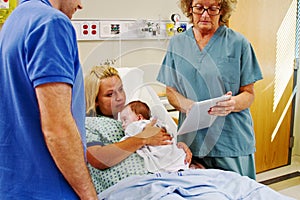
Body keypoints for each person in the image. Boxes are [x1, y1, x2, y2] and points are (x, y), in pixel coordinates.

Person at [0, 0, 97, 199]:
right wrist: (89, 195)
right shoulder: (51, 24)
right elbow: (58, 128)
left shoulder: (13, 22)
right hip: (48, 188)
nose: (80, 5)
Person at [156, 0, 263, 180]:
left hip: (230, 142)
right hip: (192, 143)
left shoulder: (238, 43)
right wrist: (187, 105)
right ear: (190, 8)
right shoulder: (177, 44)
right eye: (199, 8)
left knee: (236, 192)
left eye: (213, 8)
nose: (205, 15)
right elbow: (171, 90)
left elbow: (249, 94)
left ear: (222, 10)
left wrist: (233, 103)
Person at [84, 65, 192, 193]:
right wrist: (142, 138)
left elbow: (158, 142)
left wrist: (176, 147)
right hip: (133, 189)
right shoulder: (89, 124)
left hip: (164, 179)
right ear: (95, 100)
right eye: (110, 94)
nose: (119, 97)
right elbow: (98, 159)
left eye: (121, 89)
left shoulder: (134, 115)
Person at [119, 100, 189, 173]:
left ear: (139, 118)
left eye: (125, 120)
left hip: (160, 154)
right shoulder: (157, 123)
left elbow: (126, 142)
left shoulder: (136, 125)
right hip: (171, 151)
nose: (122, 125)